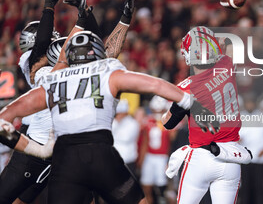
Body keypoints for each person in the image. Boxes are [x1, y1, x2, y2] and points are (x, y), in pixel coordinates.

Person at [0, 30, 210, 204]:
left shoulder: (53, 80)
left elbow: (4, 119)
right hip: (101, 154)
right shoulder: (107, 71)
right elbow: (155, 84)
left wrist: (38, 149)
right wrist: (188, 101)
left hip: (65, 161)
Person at [162, 26, 252, 204]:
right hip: (231, 157)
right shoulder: (226, 65)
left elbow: (167, 123)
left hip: (201, 158)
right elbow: (228, 42)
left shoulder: (187, 86)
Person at [0, 0, 62, 204]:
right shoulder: (31, 62)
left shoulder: (58, 65)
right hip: (35, 142)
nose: (55, 42)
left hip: (56, 144)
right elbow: (43, 42)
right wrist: (48, 9)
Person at [140, 95, 171, 204]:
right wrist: (141, 160)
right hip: (149, 157)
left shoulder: (169, 122)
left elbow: (172, 142)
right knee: (146, 187)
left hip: (162, 158)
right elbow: (144, 142)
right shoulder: (148, 121)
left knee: (162, 189)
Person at [112, 99, 140, 175]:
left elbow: (126, 138)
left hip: (128, 161)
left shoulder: (133, 123)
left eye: (120, 113)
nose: (118, 115)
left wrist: (113, 135)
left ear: (126, 113)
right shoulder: (113, 122)